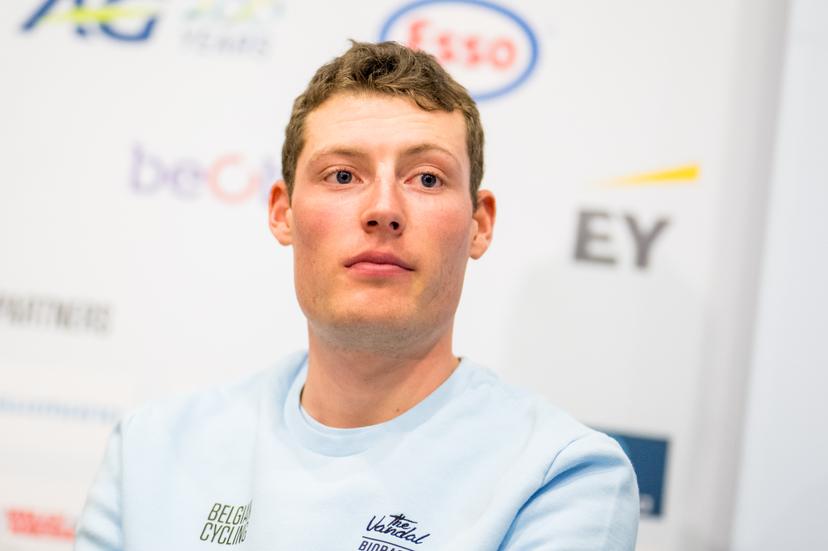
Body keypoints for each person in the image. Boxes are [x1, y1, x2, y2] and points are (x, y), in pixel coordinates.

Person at [75, 40, 639, 550]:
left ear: (479, 224)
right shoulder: (151, 451)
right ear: (282, 212)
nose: (384, 210)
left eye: (427, 178)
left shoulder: (559, 478)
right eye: (343, 176)